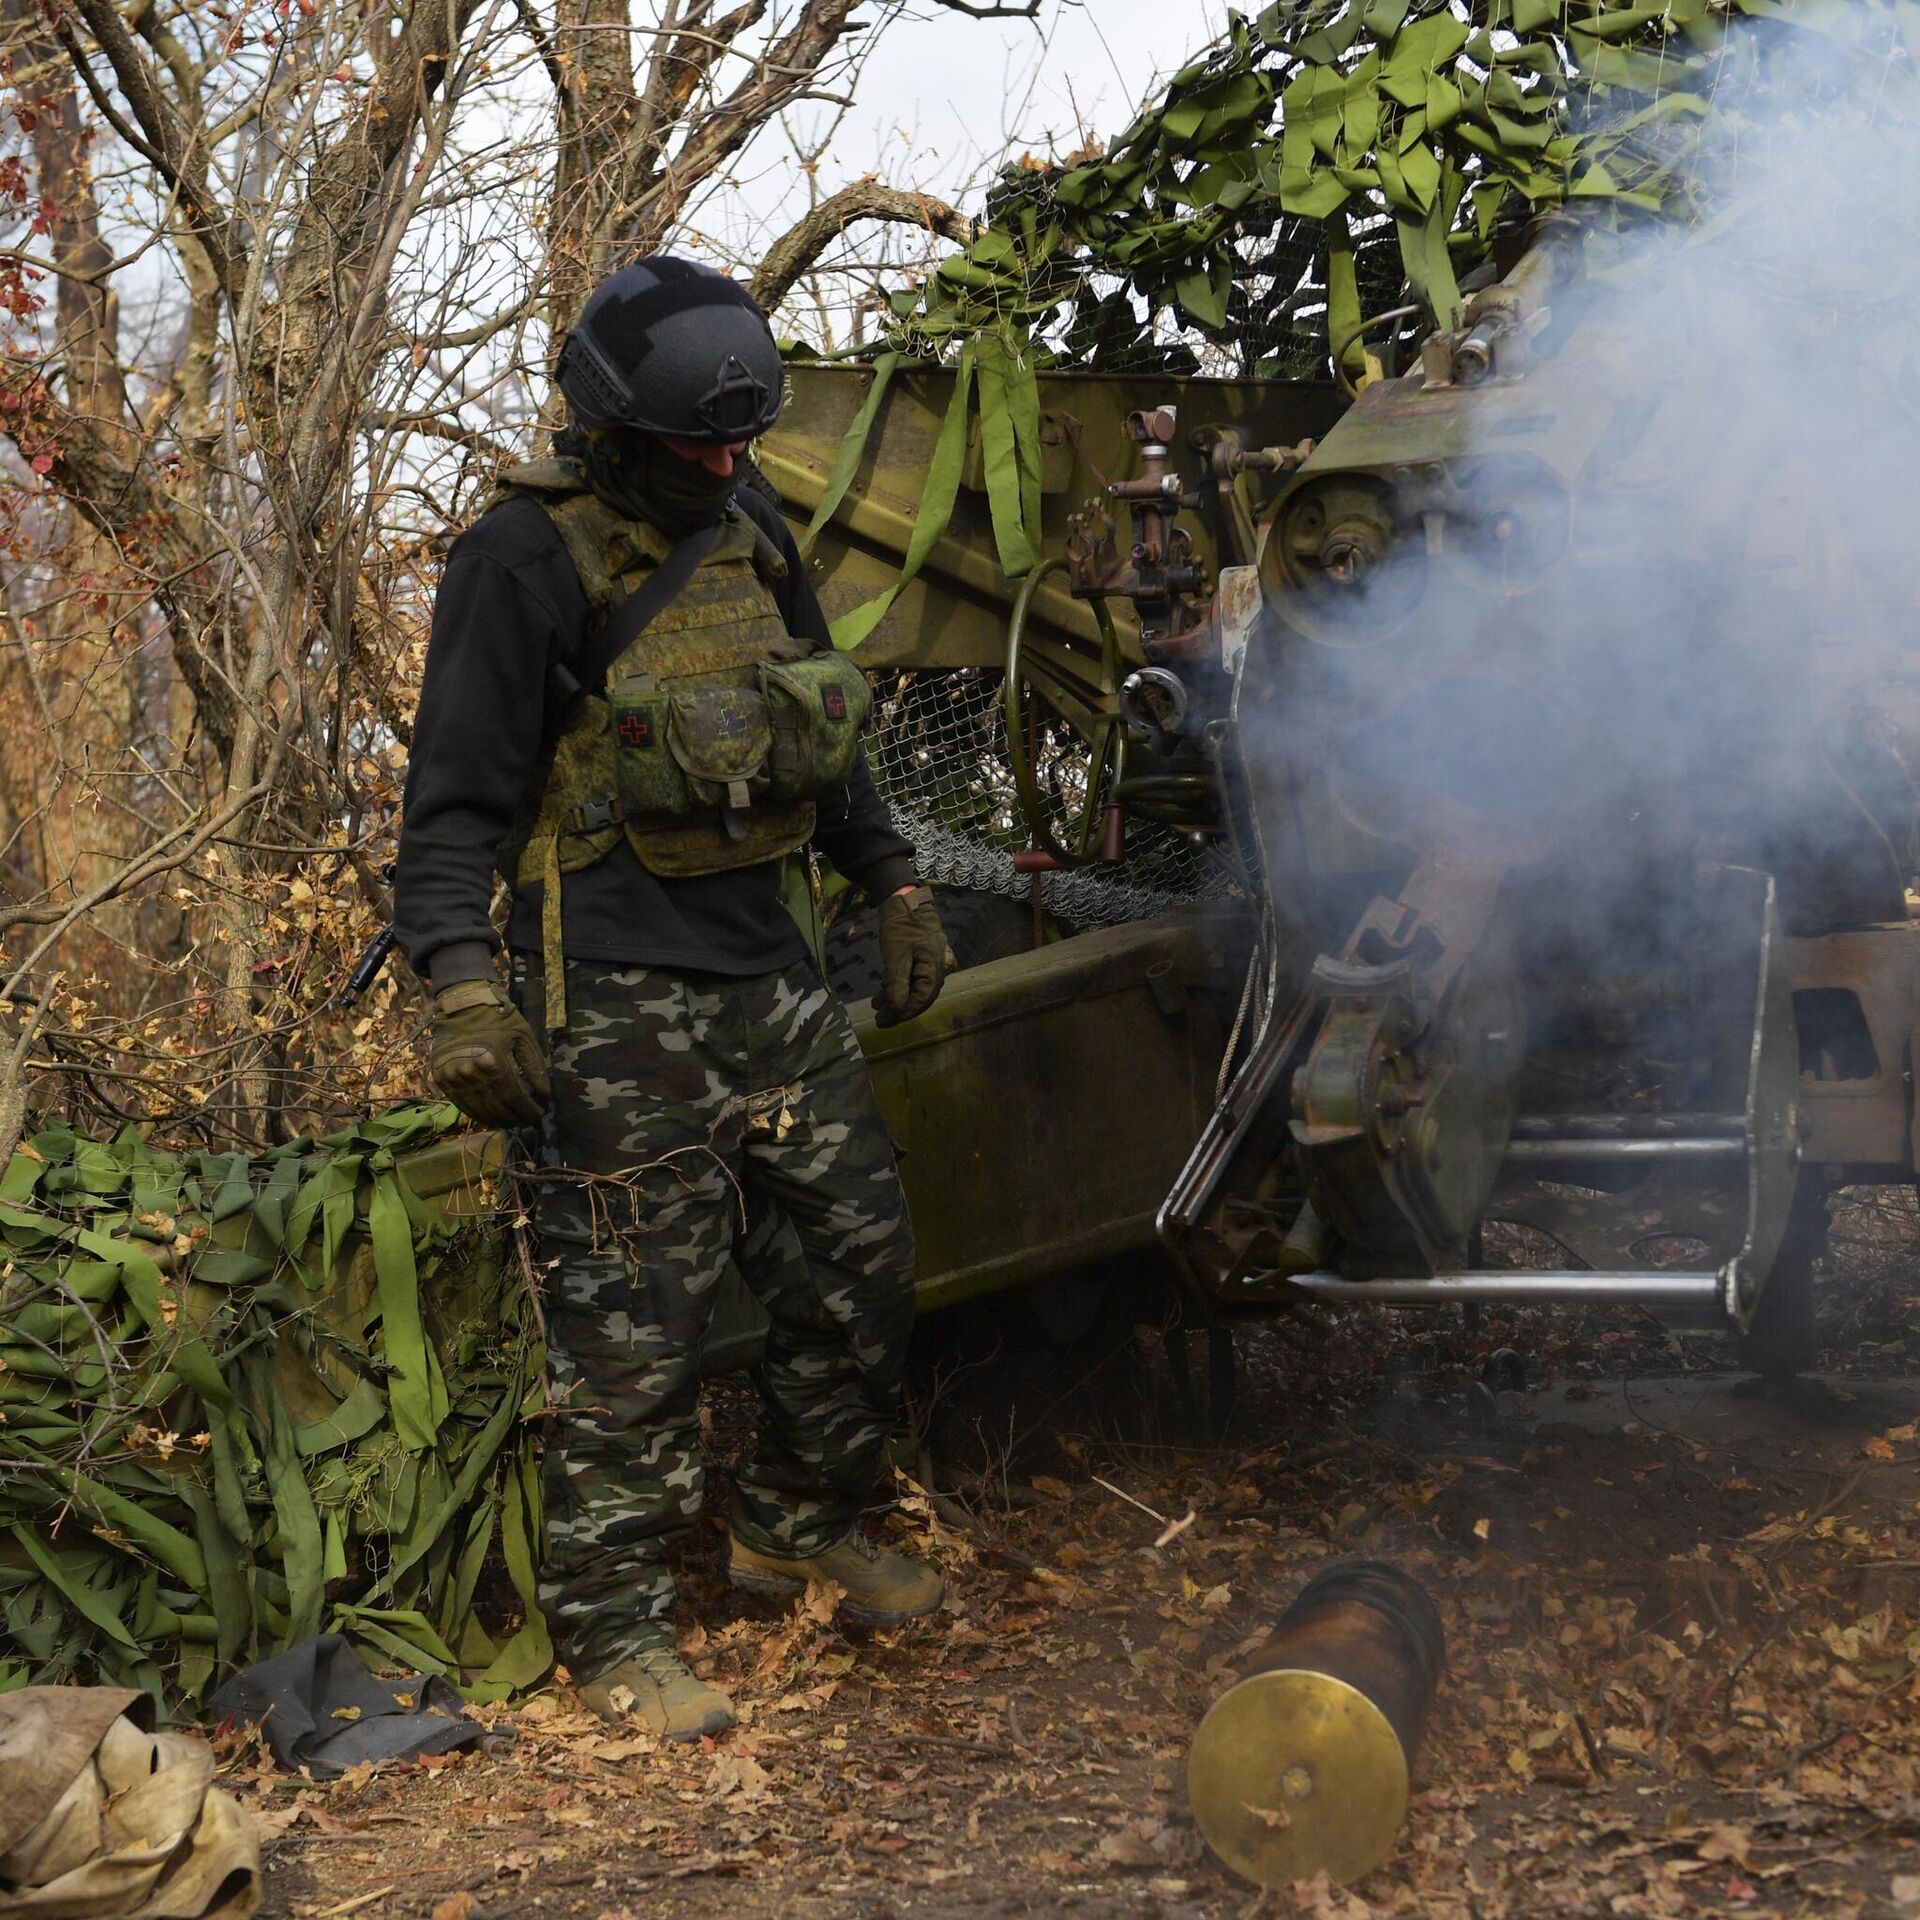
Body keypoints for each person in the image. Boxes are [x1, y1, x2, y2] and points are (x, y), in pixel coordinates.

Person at [393, 256, 951, 1742]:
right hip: (612, 1003)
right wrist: (462, 989)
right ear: (614, 429)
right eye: (694, 445)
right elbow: (451, 811)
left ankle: (792, 1522)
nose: (721, 465)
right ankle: (618, 1628)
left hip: (773, 975)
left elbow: (822, 728)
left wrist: (891, 881)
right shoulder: (522, 561)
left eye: (736, 442)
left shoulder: (752, 522)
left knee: (860, 1266)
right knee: (628, 1333)